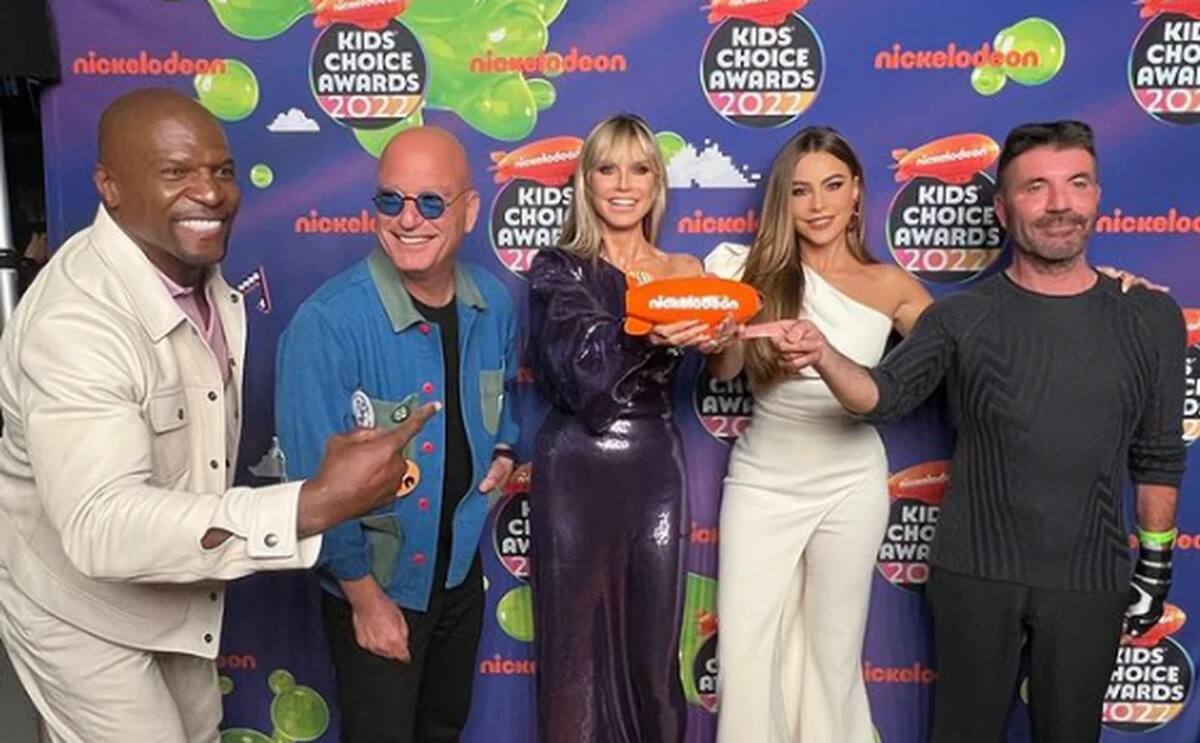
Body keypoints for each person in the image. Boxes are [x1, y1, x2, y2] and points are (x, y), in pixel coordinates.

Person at [0, 87, 435, 743]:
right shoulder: (76, 321)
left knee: (200, 729)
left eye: (222, 171)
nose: (209, 192)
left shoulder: (202, 281)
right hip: (76, 608)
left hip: (176, 587)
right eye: (175, 172)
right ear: (110, 186)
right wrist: (310, 505)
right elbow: (99, 525)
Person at [785, 120, 1186, 743]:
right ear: (1002, 209)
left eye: (1077, 183)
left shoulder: (1150, 315)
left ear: (1098, 196)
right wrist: (823, 354)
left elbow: (1159, 455)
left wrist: (1155, 566)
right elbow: (881, 399)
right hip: (973, 575)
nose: (1060, 204)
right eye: (1036, 188)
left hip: (1091, 579)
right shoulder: (961, 317)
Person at [275, 126, 519, 743]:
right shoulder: (326, 322)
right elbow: (310, 488)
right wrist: (364, 599)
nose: (409, 220)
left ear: (468, 211)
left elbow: (506, 399)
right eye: (392, 200)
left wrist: (504, 447)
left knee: (443, 730)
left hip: (459, 581)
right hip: (378, 587)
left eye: (431, 202)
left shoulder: (492, 304)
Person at [705, 126, 932, 743]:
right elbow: (724, 369)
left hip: (850, 483)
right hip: (763, 482)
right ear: (783, 200)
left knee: (832, 655)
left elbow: (966, 350)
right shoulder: (747, 271)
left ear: (856, 191)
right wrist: (721, 337)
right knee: (747, 650)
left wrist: (1103, 291)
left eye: (832, 186)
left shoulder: (891, 286)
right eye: (800, 191)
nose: (818, 204)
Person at [526, 113, 734, 743]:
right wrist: (646, 331)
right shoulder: (558, 267)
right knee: (571, 650)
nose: (623, 184)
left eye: (639, 169)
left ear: (656, 183)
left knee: (653, 649)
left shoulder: (685, 267)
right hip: (574, 466)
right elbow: (574, 366)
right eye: (607, 168)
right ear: (586, 181)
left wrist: (723, 337)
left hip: (652, 465)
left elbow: (724, 368)